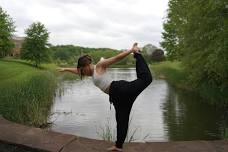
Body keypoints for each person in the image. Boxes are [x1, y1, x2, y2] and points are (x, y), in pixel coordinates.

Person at [58, 43, 153, 151]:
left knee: (146, 79)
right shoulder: (91, 73)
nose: (82, 73)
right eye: (81, 71)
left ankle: (137, 54)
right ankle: (118, 146)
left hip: (121, 90)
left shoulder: (100, 65)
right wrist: (65, 69)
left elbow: (117, 58)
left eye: (82, 70)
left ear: (86, 65)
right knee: (122, 120)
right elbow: (77, 71)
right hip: (117, 97)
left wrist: (131, 50)